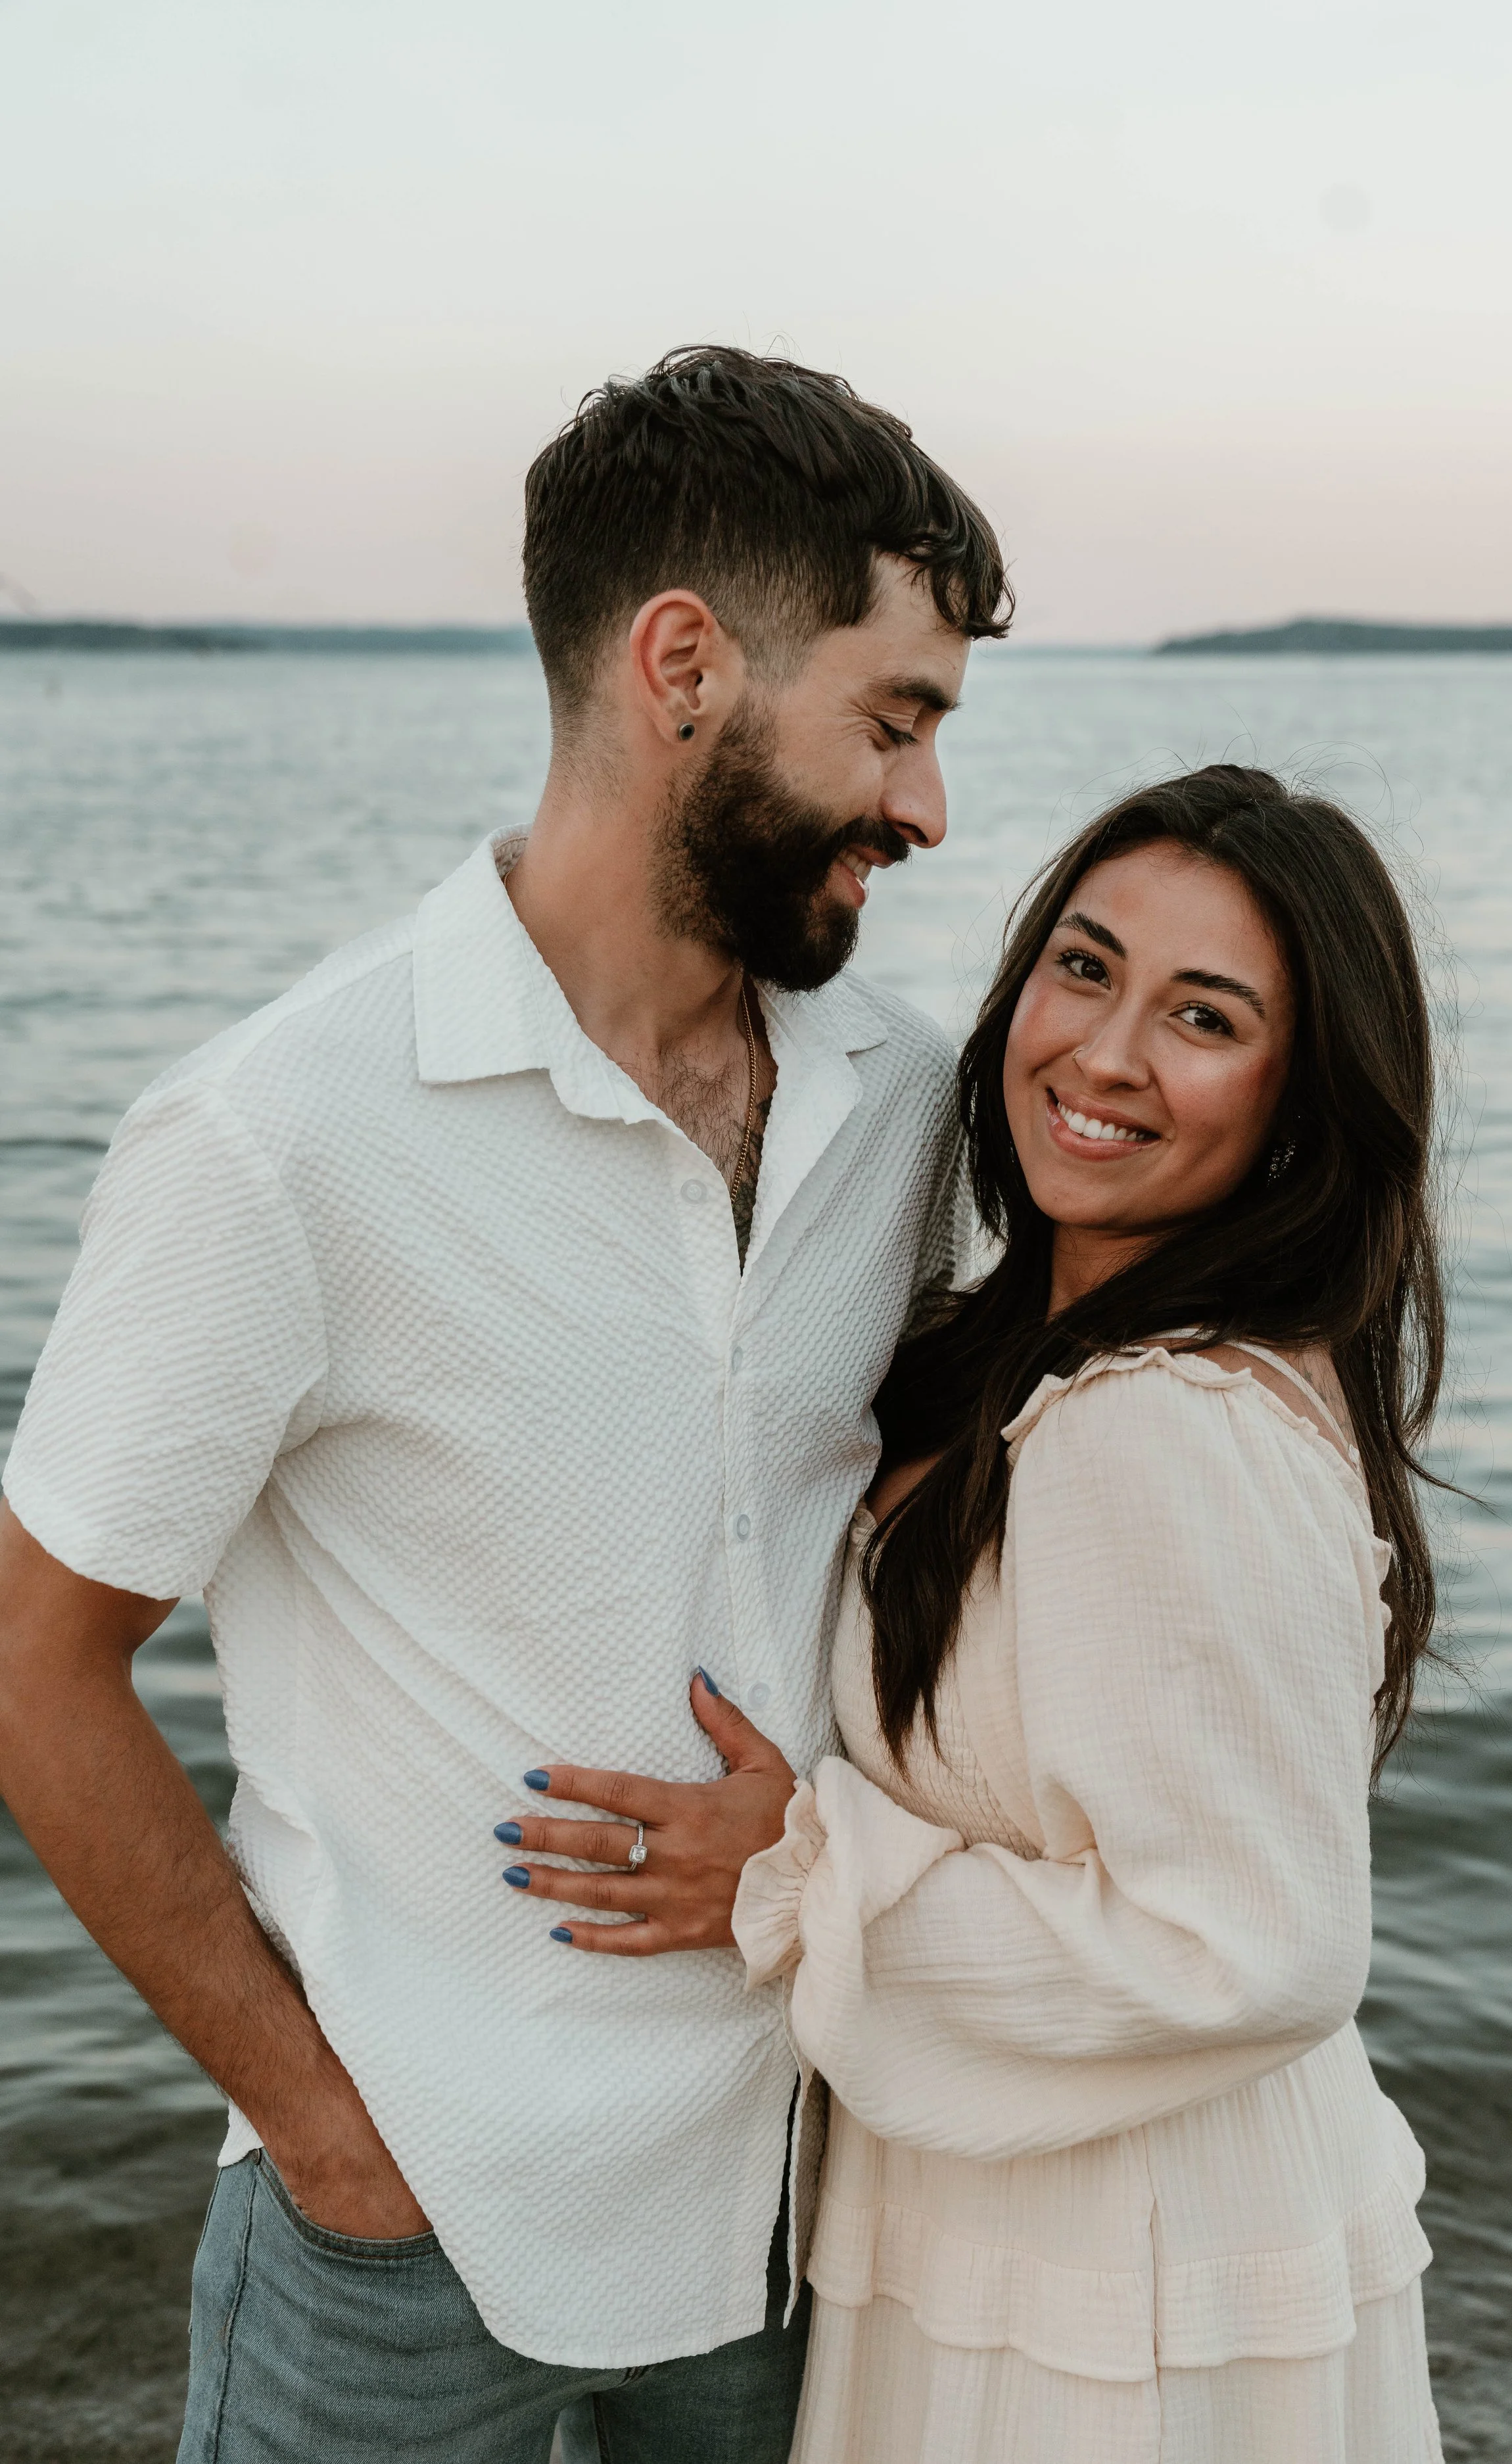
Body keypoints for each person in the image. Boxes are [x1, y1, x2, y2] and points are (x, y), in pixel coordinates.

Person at [0, 346, 1011, 2463]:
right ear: (682, 668)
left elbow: (924, 1548)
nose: (928, 806)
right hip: (408, 2233)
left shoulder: (901, 1100)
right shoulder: (281, 1136)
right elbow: (34, 1665)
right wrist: (319, 2126)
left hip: (779, 2191)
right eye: (894, 717)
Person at [720, 765, 1448, 2461]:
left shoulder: (1160, 1424)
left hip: (1122, 2297)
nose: (1108, 1056)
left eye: (1204, 1016)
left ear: (1297, 1099)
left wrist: (797, 1862)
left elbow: (1251, 1946)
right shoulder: (1025, 1363)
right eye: (1086, 967)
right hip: (1045, 2233)